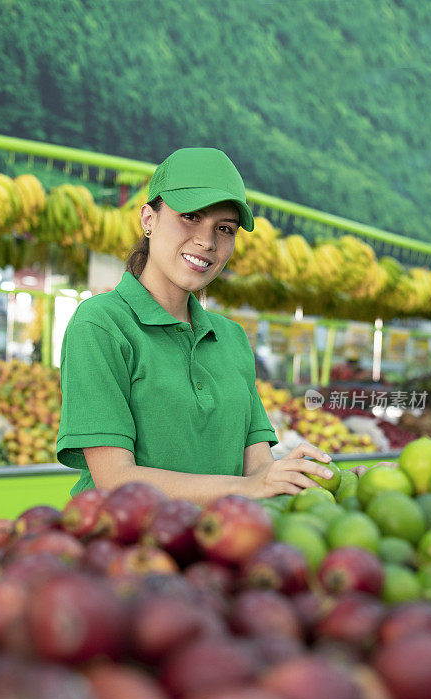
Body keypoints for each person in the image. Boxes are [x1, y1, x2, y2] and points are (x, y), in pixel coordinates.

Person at [56, 146, 371, 503]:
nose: (207, 242)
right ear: (148, 219)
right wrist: (249, 487)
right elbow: (115, 479)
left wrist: (336, 481)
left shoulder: (232, 338)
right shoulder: (101, 324)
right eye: (190, 217)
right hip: (126, 548)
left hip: (220, 546)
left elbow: (258, 471)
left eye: (224, 228)